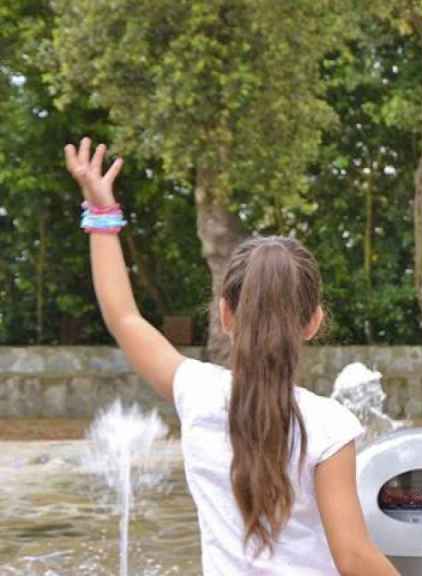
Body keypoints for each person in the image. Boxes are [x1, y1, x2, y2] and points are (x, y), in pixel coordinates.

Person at [65, 137, 399, 576]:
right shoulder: (330, 424)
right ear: (314, 322)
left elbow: (124, 317)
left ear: (225, 314)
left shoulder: (197, 393)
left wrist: (102, 214)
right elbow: (354, 558)